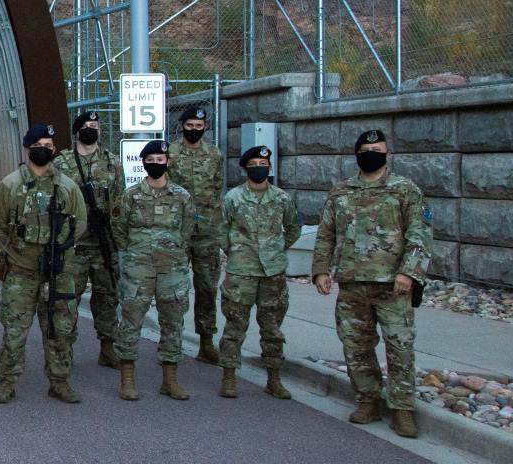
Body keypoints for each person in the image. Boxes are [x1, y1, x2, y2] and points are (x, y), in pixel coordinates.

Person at [311, 129, 432, 439]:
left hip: (393, 285)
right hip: (352, 283)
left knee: (399, 347)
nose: (371, 153)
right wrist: (320, 271)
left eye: (377, 149)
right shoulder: (341, 191)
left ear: (388, 155)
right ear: (357, 154)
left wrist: (409, 273)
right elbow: (326, 234)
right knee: (356, 346)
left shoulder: (406, 190)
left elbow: (419, 234)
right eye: (366, 149)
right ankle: (368, 400)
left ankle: (402, 409)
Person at [0, 123, 88, 405]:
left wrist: (61, 249)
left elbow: (80, 222)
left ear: (54, 150)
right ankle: (7, 381)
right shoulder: (10, 184)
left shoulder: (66, 186)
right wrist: (14, 248)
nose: (44, 150)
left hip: (57, 271)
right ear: (27, 147)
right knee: (14, 330)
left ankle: (59, 381)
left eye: (48, 146)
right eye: (38, 145)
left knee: (60, 329)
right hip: (21, 271)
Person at [112, 139, 196, 402]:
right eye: (151, 160)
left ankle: (169, 380)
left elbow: (187, 230)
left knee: (173, 322)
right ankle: (127, 379)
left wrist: (174, 252)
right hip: (139, 269)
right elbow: (119, 229)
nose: (156, 164)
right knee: (131, 320)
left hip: (172, 269)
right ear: (144, 163)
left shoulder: (182, 196)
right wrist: (136, 254)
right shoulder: (130, 195)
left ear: (168, 162)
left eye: (161, 160)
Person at [219, 146, 301, 400]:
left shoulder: (282, 198)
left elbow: (293, 227)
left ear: (270, 167)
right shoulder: (233, 198)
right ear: (245, 168)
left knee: (273, 328)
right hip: (241, 272)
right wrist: (236, 251)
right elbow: (221, 229)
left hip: (272, 273)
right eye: (253, 163)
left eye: (263, 163)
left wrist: (275, 249)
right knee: (235, 325)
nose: (259, 167)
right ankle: (229, 377)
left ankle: (274, 378)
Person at [56, 109, 124, 369]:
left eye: (95, 125)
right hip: (73, 244)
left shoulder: (112, 162)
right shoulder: (62, 162)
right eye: (87, 125)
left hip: (103, 242)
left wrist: (116, 236)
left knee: (107, 296)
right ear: (77, 130)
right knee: (68, 299)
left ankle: (107, 348)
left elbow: (118, 201)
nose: (92, 129)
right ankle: (64, 352)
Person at [170, 106, 225, 364]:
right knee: (175, 289)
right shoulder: (170, 153)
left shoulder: (214, 154)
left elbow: (217, 190)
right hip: (177, 232)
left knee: (206, 287)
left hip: (206, 232)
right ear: (181, 126)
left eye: (198, 126)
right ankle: (172, 341)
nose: (194, 130)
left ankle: (206, 341)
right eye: (189, 125)